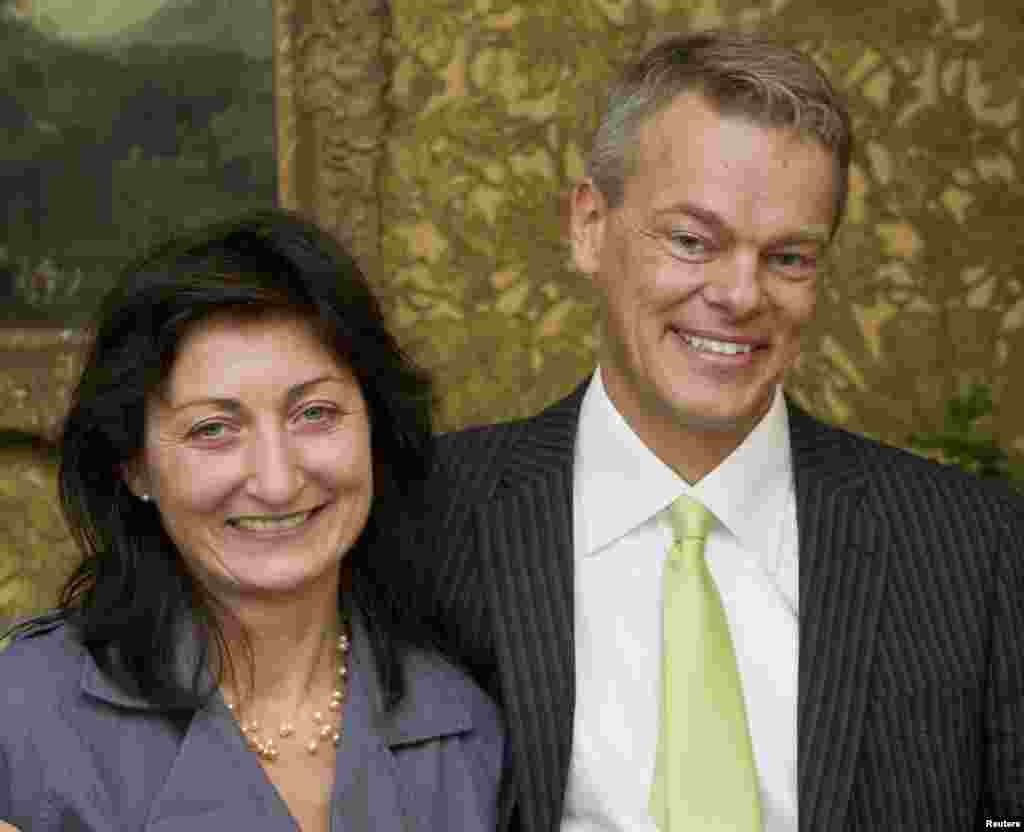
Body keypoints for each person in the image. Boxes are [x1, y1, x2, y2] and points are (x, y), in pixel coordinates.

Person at [410, 29, 1024, 832]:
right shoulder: (427, 516)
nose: (740, 295)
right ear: (590, 225)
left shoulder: (975, 549)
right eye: (693, 241)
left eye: (789, 257)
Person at [0, 211, 503, 831]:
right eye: (214, 429)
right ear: (135, 466)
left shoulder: (468, 729)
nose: (277, 481)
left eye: (315, 414)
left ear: (377, 431)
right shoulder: (25, 713)